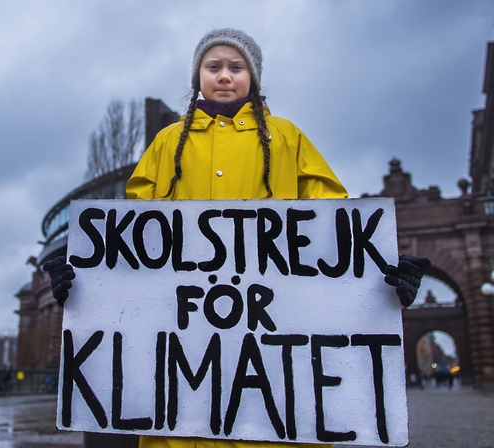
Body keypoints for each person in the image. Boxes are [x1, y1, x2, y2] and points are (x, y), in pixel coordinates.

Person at [44, 28, 430, 448]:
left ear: (254, 77)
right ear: (198, 78)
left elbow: (331, 231)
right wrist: (88, 283)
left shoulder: (288, 138)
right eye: (214, 66)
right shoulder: (166, 144)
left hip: (276, 401)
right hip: (179, 409)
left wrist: (379, 276)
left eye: (236, 66)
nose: (224, 76)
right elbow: (133, 247)